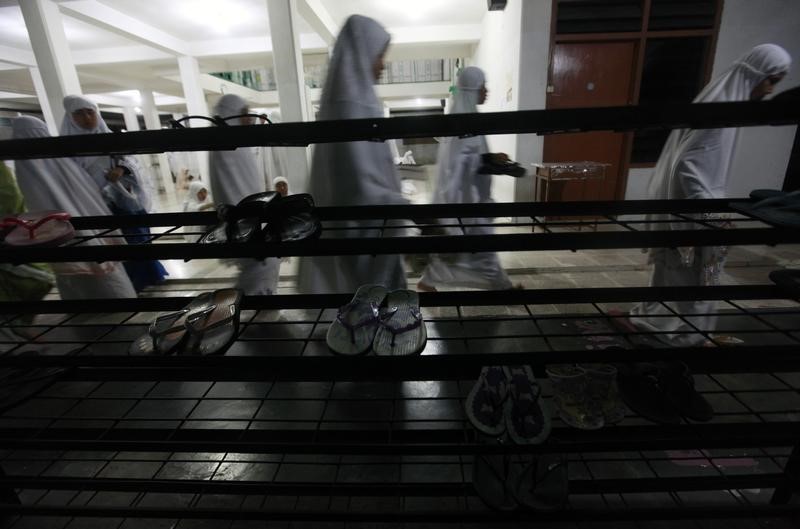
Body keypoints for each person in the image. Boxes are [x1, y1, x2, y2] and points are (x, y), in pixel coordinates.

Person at [624, 43, 792, 346]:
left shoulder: (720, 105)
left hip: (695, 211)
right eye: (771, 80)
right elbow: (687, 167)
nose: (769, 90)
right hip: (693, 216)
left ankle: (679, 327)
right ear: (754, 74)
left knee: (688, 273)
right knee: (694, 276)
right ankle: (684, 334)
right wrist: (714, 215)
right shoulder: (719, 114)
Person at [297, 15, 409, 294]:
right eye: (380, 55)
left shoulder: (359, 101)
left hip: (373, 228)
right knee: (367, 303)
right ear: (364, 52)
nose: (383, 64)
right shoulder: (349, 107)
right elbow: (357, 187)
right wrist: (404, 206)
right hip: (361, 233)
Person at [11, 116, 137, 300]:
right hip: (79, 225)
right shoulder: (60, 161)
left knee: (88, 275)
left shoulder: (30, 167)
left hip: (60, 230)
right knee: (99, 273)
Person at [417, 66, 518, 292]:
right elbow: (459, 165)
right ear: (473, 90)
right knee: (483, 246)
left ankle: (428, 281)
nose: (487, 92)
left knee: (464, 248)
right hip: (466, 201)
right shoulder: (464, 124)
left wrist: (490, 158)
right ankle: (504, 287)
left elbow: (468, 157)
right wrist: (486, 161)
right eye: (483, 87)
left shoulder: (465, 119)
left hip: (466, 200)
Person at [61, 95, 167, 291]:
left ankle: (147, 278)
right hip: (91, 205)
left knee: (135, 240)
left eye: (90, 112)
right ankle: (124, 284)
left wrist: (122, 169)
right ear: (70, 117)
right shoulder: (65, 148)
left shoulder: (110, 138)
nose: (86, 118)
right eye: (79, 113)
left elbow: (132, 162)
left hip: (121, 202)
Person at [208, 93, 280, 296]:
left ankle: (255, 306)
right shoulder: (226, 145)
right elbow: (231, 188)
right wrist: (250, 225)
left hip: (251, 217)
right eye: (244, 113)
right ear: (230, 115)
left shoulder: (236, 143)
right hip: (245, 222)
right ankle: (246, 308)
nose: (249, 118)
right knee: (261, 265)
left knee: (265, 264)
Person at [0, 160, 55, 331]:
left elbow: (13, 203)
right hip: (10, 232)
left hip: (11, 228)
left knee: (39, 279)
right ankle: (16, 328)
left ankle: (19, 326)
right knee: (36, 279)